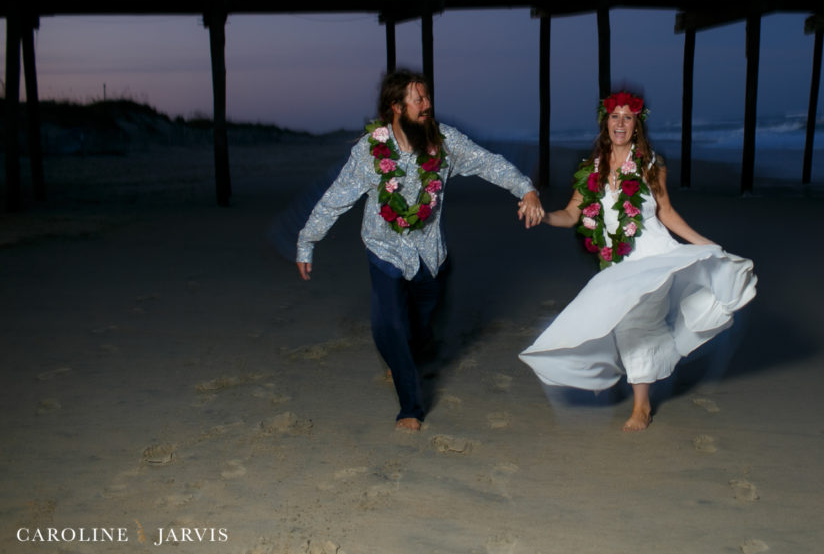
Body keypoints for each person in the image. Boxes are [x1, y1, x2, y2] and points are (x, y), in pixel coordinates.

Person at [296, 69, 545, 432]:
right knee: (389, 325)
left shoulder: (444, 142)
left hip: (430, 255)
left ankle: (404, 352)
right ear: (396, 107)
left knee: (420, 327)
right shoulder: (369, 152)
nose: (427, 105)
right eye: (419, 100)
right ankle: (410, 407)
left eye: (427, 97)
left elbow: (487, 162)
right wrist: (307, 241)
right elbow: (336, 197)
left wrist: (526, 189)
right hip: (384, 250)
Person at [519, 91, 757, 431]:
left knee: (635, 323)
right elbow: (571, 214)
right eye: (614, 116)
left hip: (653, 255)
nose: (620, 123)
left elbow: (666, 213)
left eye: (627, 117)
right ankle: (641, 376)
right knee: (614, 322)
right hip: (618, 265)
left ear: (637, 125)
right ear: (605, 122)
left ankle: (641, 407)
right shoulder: (591, 170)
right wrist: (543, 216)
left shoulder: (650, 165)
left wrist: (707, 246)